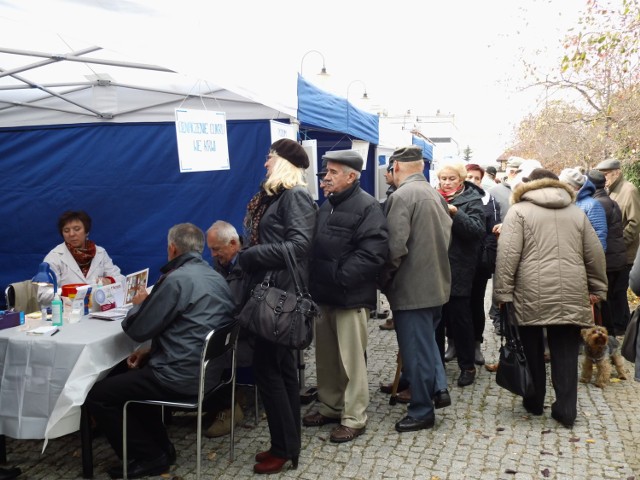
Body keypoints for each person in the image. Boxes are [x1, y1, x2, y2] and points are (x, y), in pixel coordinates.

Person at [86, 223, 236, 479]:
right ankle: (162, 448)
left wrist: (138, 305)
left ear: (172, 249)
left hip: (180, 376)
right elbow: (190, 327)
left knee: (98, 394)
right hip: (209, 374)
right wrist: (149, 349)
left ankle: (149, 456)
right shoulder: (214, 276)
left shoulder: (177, 279)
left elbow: (136, 329)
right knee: (129, 376)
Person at [494, 169, 607, 428]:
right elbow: (594, 254)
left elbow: (508, 255)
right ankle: (566, 411)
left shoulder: (519, 211)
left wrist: (502, 292)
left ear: (528, 186)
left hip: (529, 292)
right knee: (565, 352)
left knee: (531, 348)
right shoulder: (576, 212)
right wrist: (598, 289)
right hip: (571, 290)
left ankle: (534, 402)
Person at [239, 138, 316, 474]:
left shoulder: (295, 195)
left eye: (270, 157)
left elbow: (300, 245)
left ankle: (284, 448)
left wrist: (250, 255)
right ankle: (285, 444)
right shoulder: (277, 197)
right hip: (272, 290)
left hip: (279, 296)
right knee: (279, 371)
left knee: (272, 372)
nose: (265, 163)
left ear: (283, 162)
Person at [302, 150, 388, 443]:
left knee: (351, 362)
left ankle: (354, 417)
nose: (326, 177)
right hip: (324, 296)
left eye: (333, 172)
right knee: (326, 358)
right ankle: (330, 406)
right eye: (326, 171)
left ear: (352, 176)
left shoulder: (368, 206)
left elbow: (372, 254)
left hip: (349, 298)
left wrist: (338, 277)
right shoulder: (328, 206)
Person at [379, 145, 453, 432]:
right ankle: (439, 388)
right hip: (434, 283)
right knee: (427, 345)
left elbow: (394, 248)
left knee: (417, 352)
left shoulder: (402, 196)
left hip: (412, 289)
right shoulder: (434, 193)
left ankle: (422, 410)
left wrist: (384, 280)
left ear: (396, 167)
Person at [435, 162, 486, 386]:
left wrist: (456, 213)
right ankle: (436, 364)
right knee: (436, 318)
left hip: (460, 267)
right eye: (443, 179)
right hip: (435, 265)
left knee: (460, 318)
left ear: (461, 179)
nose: (446, 183)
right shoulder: (434, 197)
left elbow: (477, 231)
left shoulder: (471, 200)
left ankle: (467, 366)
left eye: (451, 179)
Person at [203, 220, 248, 438]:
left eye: (216, 249)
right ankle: (219, 403)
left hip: (249, 336)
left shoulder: (250, 264)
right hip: (231, 326)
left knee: (209, 351)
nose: (212, 255)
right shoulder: (223, 264)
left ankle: (227, 408)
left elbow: (243, 309)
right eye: (210, 249)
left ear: (233, 244)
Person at [37, 210, 125, 305]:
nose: (71, 234)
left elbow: (121, 280)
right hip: (67, 313)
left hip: (97, 310)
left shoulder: (100, 253)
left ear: (86, 231)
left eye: (77, 229)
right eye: (66, 231)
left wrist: (108, 281)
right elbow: (42, 295)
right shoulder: (55, 256)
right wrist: (69, 292)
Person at [595, 158, 640, 334]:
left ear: (617, 172)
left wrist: (621, 244)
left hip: (625, 253)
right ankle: (618, 327)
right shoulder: (612, 191)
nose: (604, 178)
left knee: (619, 293)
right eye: (602, 175)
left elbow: (635, 223)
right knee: (613, 293)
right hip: (616, 253)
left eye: (606, 174)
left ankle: (623, 328)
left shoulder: (629, 190)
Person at [465, 164, 500, 365]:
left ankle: (476, 345)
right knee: (455, 306)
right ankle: (453, 343)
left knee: (476, 303)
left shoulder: (489, 201)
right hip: (457, 262)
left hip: (479, 262)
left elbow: (492, 231)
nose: (472, 180)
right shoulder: (452, 197)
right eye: (468, 176)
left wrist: (485, 256)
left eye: (476, 178)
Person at [587, 169, 626, 349]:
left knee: (606, 300)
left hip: (609, 259)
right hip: (617, 257)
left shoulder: (597, 204)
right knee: (614, 296)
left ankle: (609, 337)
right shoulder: (610, 201)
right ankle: (615, 332)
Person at [559, 168, 608, 250]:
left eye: (563, 185)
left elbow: (599, 236)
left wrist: (595, 261)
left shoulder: (592, 205)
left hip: (584, 258)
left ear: (574, 186)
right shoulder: (565, 203)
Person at [378, 159, 397, 330]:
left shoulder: (398, 194)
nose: (385, 174)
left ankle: (396, 316)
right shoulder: (393, 192)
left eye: (388, 171)